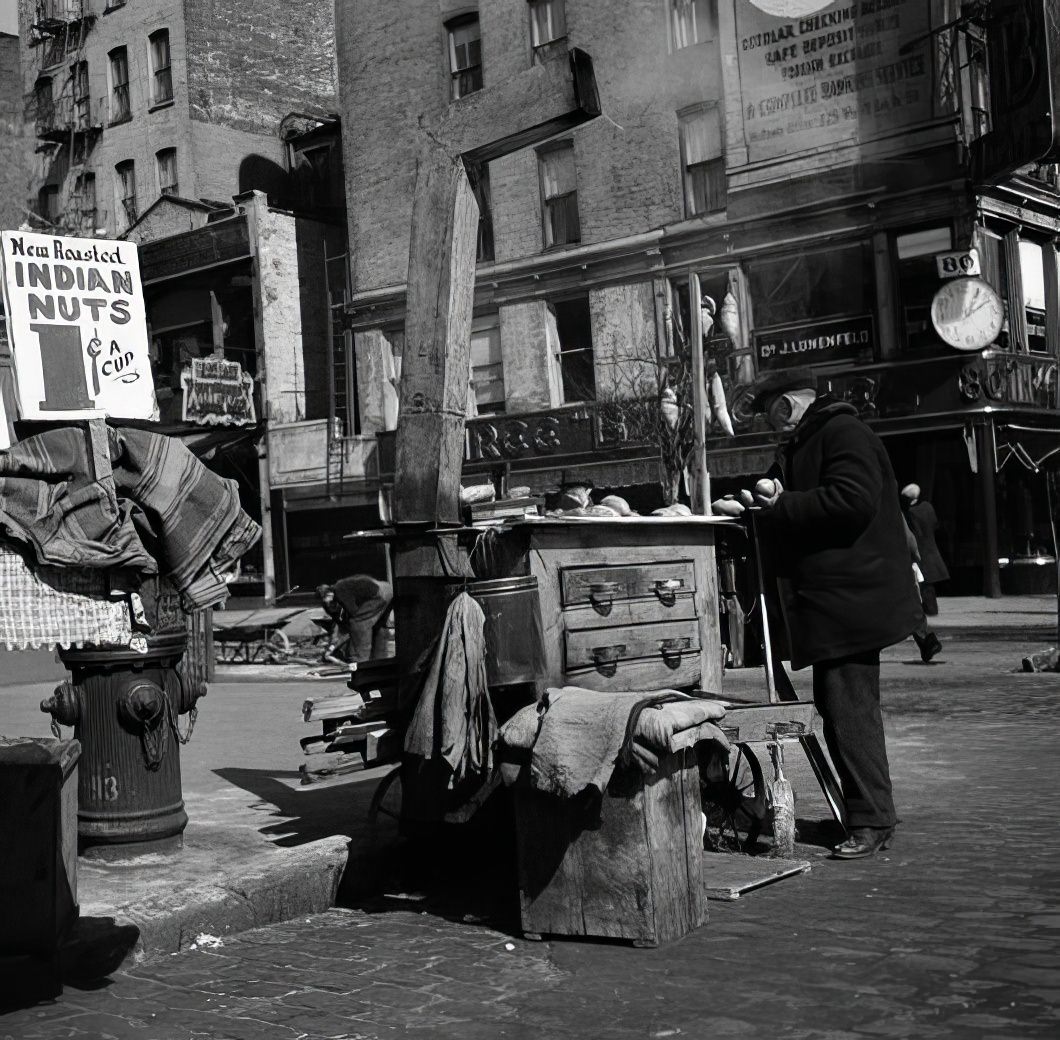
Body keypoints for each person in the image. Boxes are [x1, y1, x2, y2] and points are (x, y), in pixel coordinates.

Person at [713, 367, 920, 860]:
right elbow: (787, 499)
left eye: (771, 411)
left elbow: (851, 501)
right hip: (837, 602)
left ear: (788, 404)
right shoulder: (808, 441)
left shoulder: (843, 433)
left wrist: (781, 506)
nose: (769, 422)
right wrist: (754, 503)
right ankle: (867, 812)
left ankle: (872, 821)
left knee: (849, 709)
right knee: (841, 706)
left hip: (851, 600)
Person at [315, 576, 393, 665]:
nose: (327, 602)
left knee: (358, 623)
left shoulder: (340, 590)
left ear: (330, 592)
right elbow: (340, 625)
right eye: (324, 600)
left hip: (379, 593)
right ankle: (379, 661)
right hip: (387, 590)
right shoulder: (331, 601)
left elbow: (354, 613)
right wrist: (333, 645)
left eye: (327, 598)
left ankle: (360, 662)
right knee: (378, 627)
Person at [901, 483, 949, 616]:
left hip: (920, 549)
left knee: (923, 581)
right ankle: (930, 608)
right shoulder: (928, 507)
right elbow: (934, 524)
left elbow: (915, 533)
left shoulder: (911, 513)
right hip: (931, 547)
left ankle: (929, 609)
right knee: (927, 582)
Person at [902, 514, 943, 663]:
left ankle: (926, 642)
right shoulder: (896, 513)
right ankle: (926, 641)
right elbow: (911, 542)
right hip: (902, 566)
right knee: (911, 607)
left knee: (908, 608)